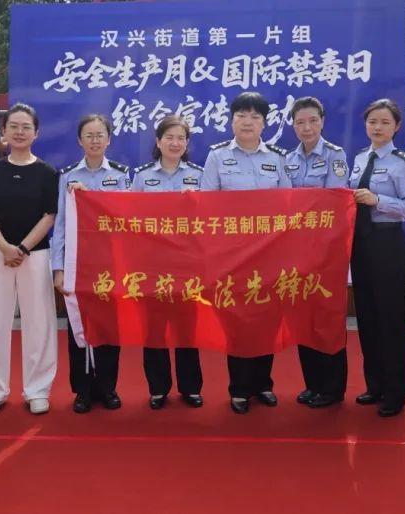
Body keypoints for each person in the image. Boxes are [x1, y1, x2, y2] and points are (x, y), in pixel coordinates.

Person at [203, 91, 292, 414]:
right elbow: (206, 204)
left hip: (268, 254)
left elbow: (287, 204)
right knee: (237, 320)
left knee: (267, 318)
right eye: (241, 115)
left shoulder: (277, 158)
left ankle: (263, 384)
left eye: (255, 117)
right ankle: (239, 389)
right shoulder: (216, 157)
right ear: (231, 121)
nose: (247, 122)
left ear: (264, 124)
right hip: (233, 255)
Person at [0, 104, 59, 416]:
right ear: (4, 131)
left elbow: (49, 215)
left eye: (26, 127)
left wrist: (22, 248)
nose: (20, 132)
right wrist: (4, 247)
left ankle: (37, 389)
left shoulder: (47, 172)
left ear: (36, 133)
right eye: (14, 126)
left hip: (34, 254)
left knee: (38, 321)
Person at [349, 98, 405, 418]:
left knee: (390, 318)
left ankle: (395, 392)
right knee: (367, 317)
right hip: (361, 244)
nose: (377, 127)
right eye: (372, 122)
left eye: (384, 122)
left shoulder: (402, 163)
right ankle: (375, 385)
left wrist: (378, 200)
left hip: (387, 243)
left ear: (396, 127)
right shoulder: (359, 158)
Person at [52, 114, 130, 413]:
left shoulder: (122, 175)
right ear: (79, 140)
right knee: (78, 326)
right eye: (89, 135)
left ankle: (108, 387)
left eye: (100, 135)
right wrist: (58, 268)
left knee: (110, 328)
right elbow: (60, 225)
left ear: (109, 140)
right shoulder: (68, 177)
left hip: (111, 264)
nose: (95, 140)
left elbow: (128, 220)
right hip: (78, 263)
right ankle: (82, 390)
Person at [131, 116, 204, 410]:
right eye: (169, 137)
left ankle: (190, 388)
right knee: (154, 330)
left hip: (188, 266)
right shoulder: (141, 177)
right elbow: (129, 219)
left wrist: (199, 203)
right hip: (152, 266)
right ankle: (158, 388)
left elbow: (213, 220)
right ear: (158, 141)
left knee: (187, 329)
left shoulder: (199, 176)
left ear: (187, 143)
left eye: (181, 138)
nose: (175, 143)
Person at [284, 96, 350, 409]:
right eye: (300, 122)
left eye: (312, 121)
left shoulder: (336, 155)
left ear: (322, 122)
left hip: (326, 251)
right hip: (297, 251)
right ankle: (313, 384)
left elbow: (334, 202)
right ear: (293, 125)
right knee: (304, 319)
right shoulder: (288, 159)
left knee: (327, 318)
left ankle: (332, 387)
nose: (306, 127)